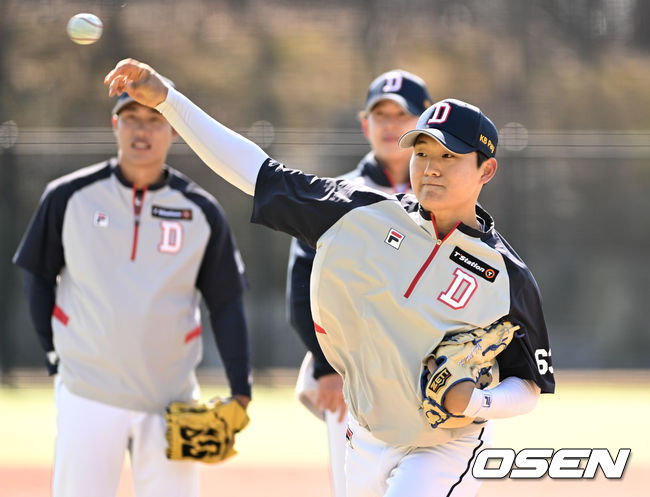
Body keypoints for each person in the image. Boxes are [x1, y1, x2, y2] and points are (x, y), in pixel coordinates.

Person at [104, 59, 555, 497]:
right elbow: (255, 171)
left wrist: (477, 403)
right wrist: (168, 101)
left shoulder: (506, 276)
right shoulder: (362, 214)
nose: (431, 166)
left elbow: (530, 384)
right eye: (421, 152)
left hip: (445, 447)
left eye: (449, 155)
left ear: (486, 170)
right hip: (365, 435)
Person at [12, 84, 252, 497]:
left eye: (155, 120)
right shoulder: (68, 197)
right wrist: (54, 358)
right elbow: (37, 278)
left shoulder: (202, 211)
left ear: (174, 129)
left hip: (170, 398)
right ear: (115, 125)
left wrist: (241, 390)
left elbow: (226, 303)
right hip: (88, 393)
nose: (142, 131)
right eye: (131, 119)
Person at [288, 69, 431, 497]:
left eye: (400, 115)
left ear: (426, 122)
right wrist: (326, 365)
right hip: (351, 375)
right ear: (365, 124)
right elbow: (303, 285)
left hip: (432, 369)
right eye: (379, 115)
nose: (389, 125)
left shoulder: (446, 193)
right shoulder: (338, 195)